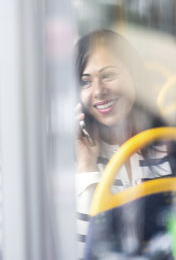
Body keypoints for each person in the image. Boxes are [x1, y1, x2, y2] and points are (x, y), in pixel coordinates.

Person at [75, 29, 176, 258]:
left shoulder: (167, 144)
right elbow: (84, 251)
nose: (99, 91)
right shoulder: (75, 159)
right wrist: (86, 167)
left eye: (108, 75)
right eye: (86, 82)